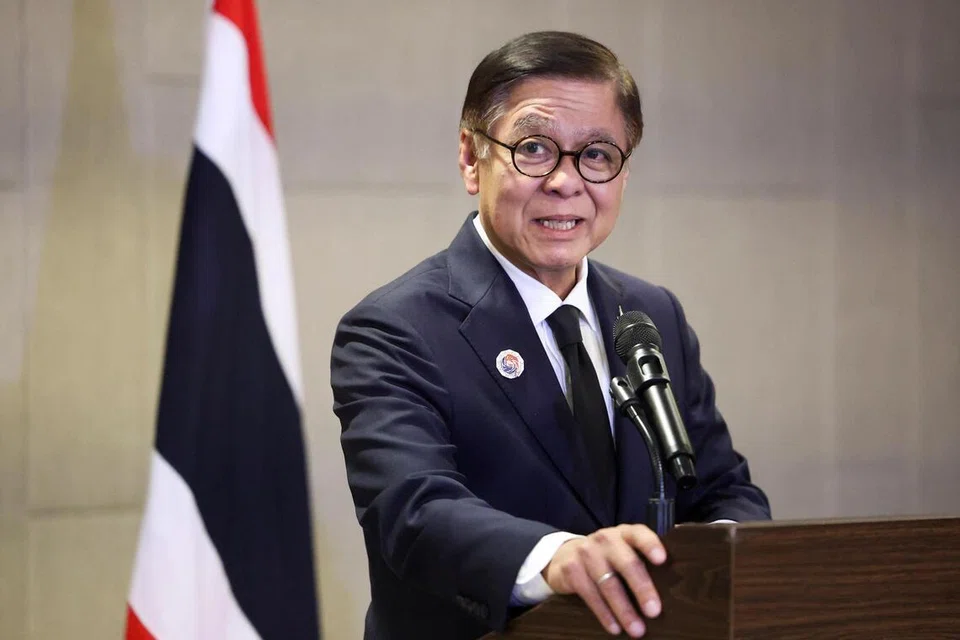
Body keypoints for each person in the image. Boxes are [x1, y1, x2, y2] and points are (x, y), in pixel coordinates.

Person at [330, 31, 771, 640]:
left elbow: (721, 489)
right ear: (471, 158)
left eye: (597, 154)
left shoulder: (650, 315)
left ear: (623, 172)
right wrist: (558, 559)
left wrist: (728, 558)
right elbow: (414, 511)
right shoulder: (395, 328)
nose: (566, 182)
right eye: (534, 148)